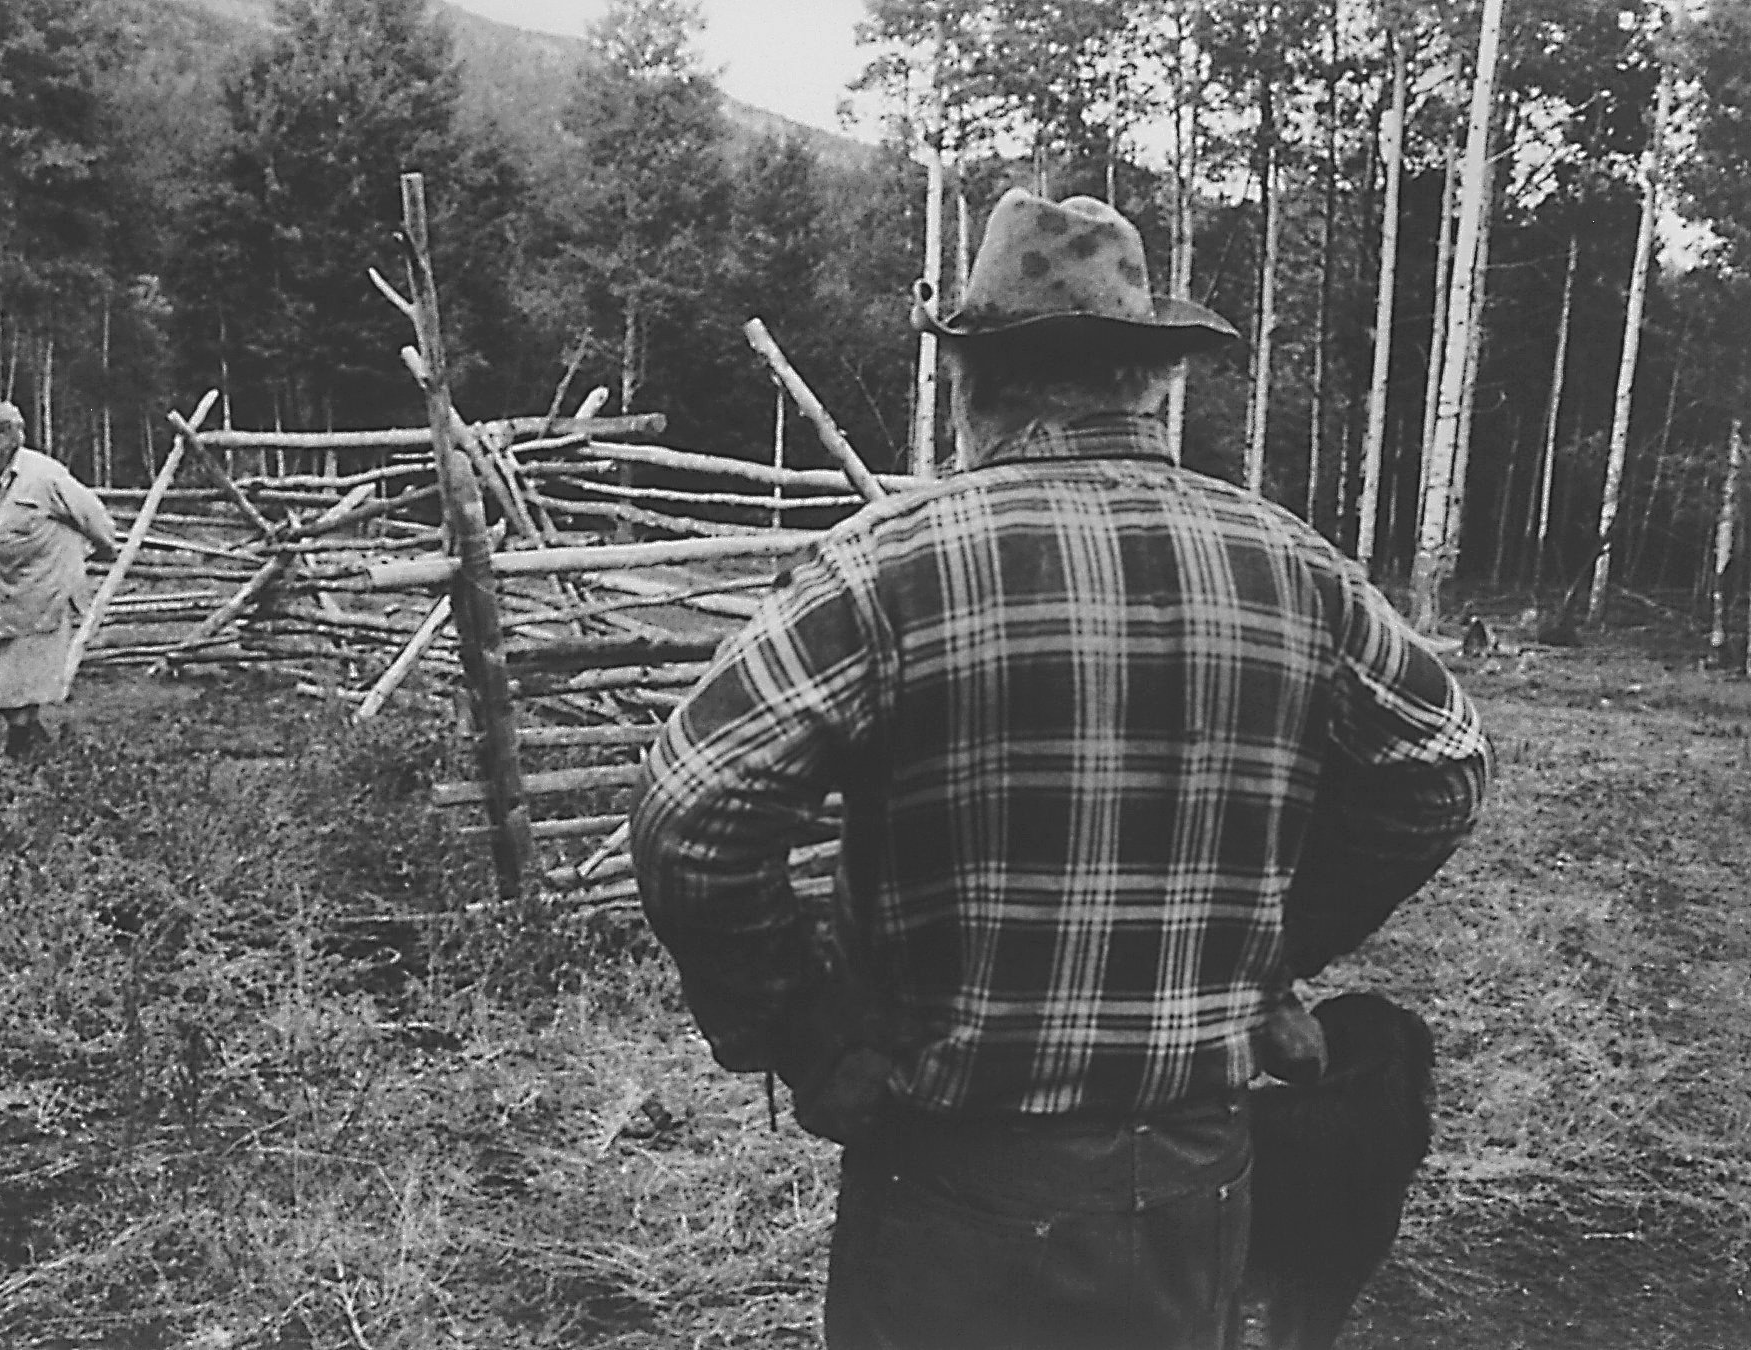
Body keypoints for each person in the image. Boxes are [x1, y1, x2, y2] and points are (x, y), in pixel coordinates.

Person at [629, 190, 1492, 1350]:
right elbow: (1439, 770)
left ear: (976, 385)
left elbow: (692, 811)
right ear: (1151, 381)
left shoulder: (890, 567)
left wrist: (804, 1025)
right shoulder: (1296, 568)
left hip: (945, 1189)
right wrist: (1272, 945)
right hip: (1192, 1182)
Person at [0, 396, 119, 758]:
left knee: (27, 666)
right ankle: (29, 733)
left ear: (4, 440)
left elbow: (94, 517)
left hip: (41, 588)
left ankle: (23, 739)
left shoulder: (45, 476)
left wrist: (98, 551)